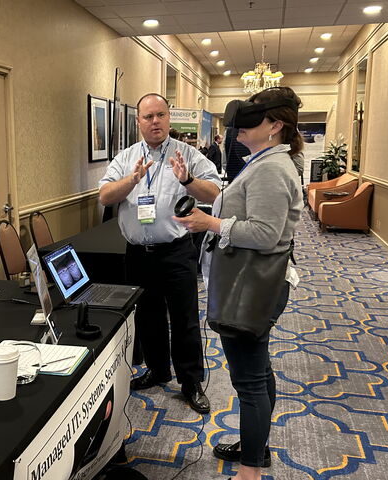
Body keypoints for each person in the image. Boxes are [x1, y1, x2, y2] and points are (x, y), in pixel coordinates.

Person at [173, 86, 303, 480]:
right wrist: (202, 199)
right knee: (258, 373)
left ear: (275, 125)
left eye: (250, 121)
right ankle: (255, 447)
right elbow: (244, 210)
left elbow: (265, 234)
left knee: (249, 382)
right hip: (247, 281)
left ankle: (250, 470)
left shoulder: (271, 169)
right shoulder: (262, 162)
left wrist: (210, 224)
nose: (237, 130)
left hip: (250, 287)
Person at [99, 93, 221, 413]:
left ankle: (191, 381)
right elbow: (105, 196)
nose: (155, 121)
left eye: (161, 115)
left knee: (184, 318)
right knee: (148, 316)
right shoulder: (126, 159)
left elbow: (215, 191)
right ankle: (157, 369)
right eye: (148, 116)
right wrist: (132, 180)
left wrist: (187, 179)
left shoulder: (187, 154)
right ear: (138, 121)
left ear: (169, 119)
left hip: (176, 251)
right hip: (138, 253)